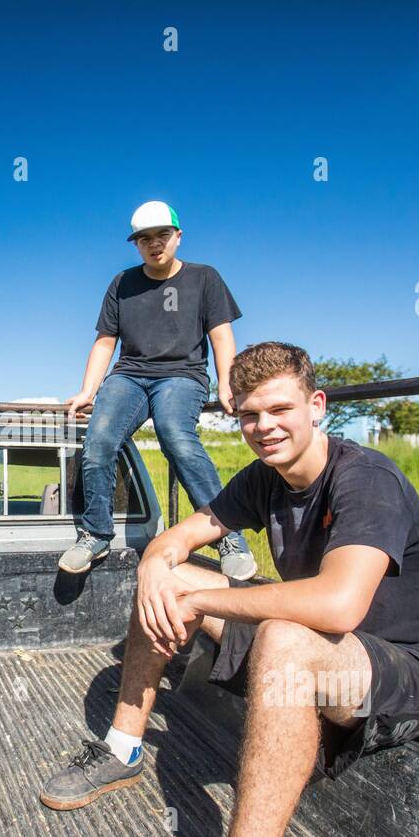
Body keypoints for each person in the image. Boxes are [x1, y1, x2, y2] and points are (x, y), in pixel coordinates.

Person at [40, 341, 419, 837]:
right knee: (172, 579)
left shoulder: (365, 478)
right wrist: (155, 567)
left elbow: (339, 606)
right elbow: (174, 541)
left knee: (282, 637)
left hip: (415, 671)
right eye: (249, 415)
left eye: (279, 409)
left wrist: (203, 598)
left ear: (316, 406)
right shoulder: (263, 478)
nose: (264, 427)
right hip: (331, 645)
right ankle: (122, 747)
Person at [61, 200, 257, 581]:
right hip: (130, 375)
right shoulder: (122, 283)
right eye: (144, 238)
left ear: (178, 237)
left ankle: (228, 536)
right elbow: (105, 341)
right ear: (136, 244)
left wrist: (231, 384)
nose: (154, 244)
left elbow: (221, 336)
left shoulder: (205, 278)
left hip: (182, 375)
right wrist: (88, 390)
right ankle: (96, 533)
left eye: (162, 235)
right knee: (98, 440)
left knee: (175, 436)